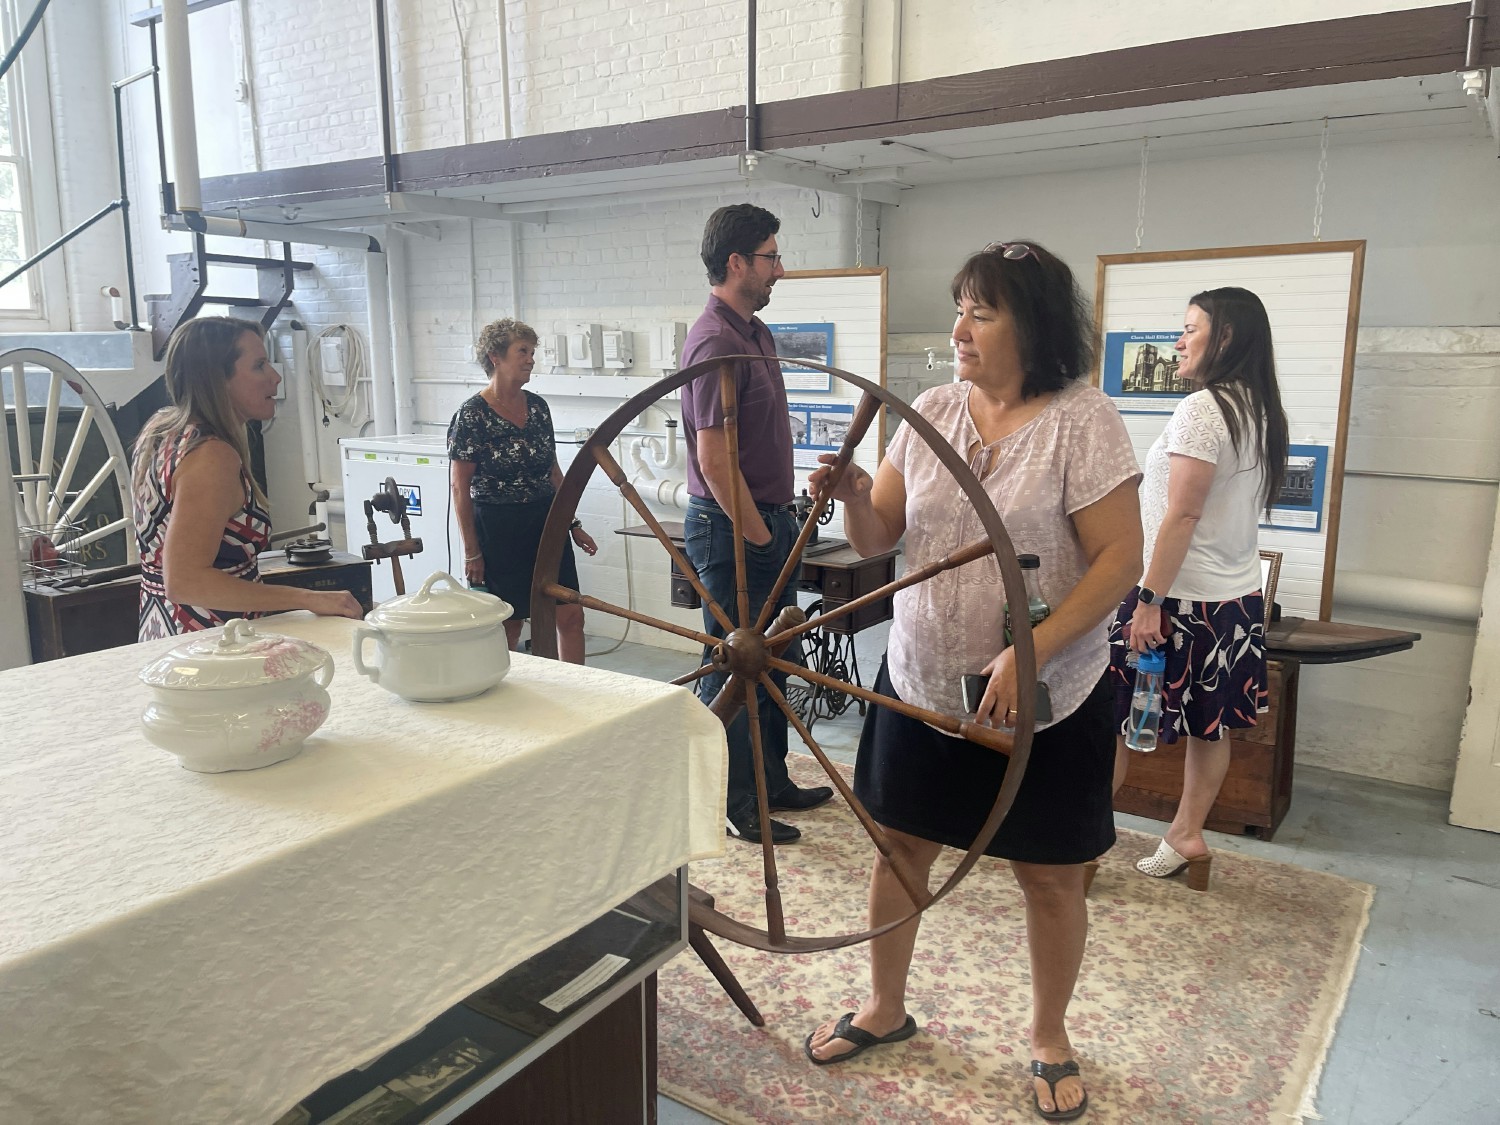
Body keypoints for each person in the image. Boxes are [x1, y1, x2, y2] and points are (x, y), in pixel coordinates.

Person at [804, 241, 1142, 1123]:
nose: (957, 329)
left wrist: (1028, 656)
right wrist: (847, 491)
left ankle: (1048, 1036)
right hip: (920, 680)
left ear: (1031, 325)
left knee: (1050, 874)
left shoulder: (1083, 418)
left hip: (1044, 695)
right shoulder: (928, 410)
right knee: (900, 845)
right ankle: (884, 1006)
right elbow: (881, 533)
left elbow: (1118, 561)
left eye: (979, 312)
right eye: (958, 307)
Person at [1108, 287, 1286, 889]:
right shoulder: (1258, 407)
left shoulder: (1204, 409)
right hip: (1233, 597)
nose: (1178, 341)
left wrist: (1150, 601)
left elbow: (1181, 516)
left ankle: (1078, 837)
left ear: (1226, 338)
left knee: (1112, 715)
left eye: (1189, 329)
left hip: (1176, 597)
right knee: (1209, 726)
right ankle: (1186, 834)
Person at [679, 203, 833, 845]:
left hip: (764, 517)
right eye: (771, 257)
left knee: (772, 662)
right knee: (737, 664)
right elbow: (714, 457)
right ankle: (737, 801)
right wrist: (760, 535)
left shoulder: (754, 332)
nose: (780, 269)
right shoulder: (716, 339)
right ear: (737, 262)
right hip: (732, 527)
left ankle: (774, 780)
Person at [134, 316, 364, 641]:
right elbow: (185, 581)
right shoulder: (211, 456)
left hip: (164, 629)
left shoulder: (162, 429)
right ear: (217, 379)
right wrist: (307, 599)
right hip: (212, 641)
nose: (275, 377)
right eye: (259, 366)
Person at [449, 317, 599, 663]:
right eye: (522, 351)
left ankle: (579, 694)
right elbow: (460, 488)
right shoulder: (472, 415)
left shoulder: (538, 408)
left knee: (571, 615)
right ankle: (505, 699)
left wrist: (573, 525)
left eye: (532, 351)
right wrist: (473, 552)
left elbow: (553, 472)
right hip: (499, 528)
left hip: (547, 524)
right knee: (509, 623)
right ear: (495, 357)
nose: (530, 359)